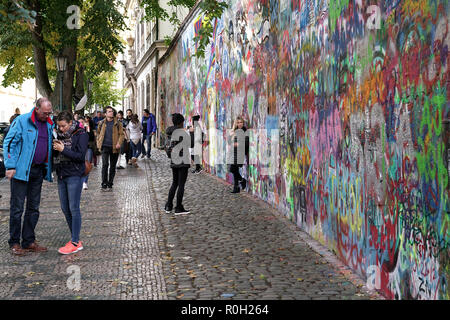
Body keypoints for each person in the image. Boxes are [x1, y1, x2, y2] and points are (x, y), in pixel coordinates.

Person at [3, 98, 54, 255]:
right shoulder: (22, 120)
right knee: (17, 208)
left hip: (38, 171)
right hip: (21, 171)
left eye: (49, 113)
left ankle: (28, 241)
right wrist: (10, 165)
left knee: (34, 208)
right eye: (45, 113)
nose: (47, 115)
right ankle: (14, 242)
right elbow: (9, 143)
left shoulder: (48, 124)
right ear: (37, 109)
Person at [52, 111, 88, 254]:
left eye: (64, 126)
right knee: (64, 208)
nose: (61, 129)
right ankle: (75, 238)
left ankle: (75, 241)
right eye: (59, 126)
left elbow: (80, 156)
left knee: (74, 208)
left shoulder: (81, 134)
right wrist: (55, 148)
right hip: (61, 173)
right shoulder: (58, 135)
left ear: (70, 123)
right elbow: (56, 155)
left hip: (75, 174)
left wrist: (63, 149)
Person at [164, 113, 191, 215]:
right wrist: (191, 133)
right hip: (183, 161)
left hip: (174, 160)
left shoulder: (169, 132)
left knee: (174, 183)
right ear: (181, 122)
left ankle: (169, 205)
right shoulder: (182, 132)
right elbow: (190, 144)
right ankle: (179, 207)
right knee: (181, 184)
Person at [96, 106, 124, 191]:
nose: (111, 113)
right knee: (105, 165)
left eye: (112, 111)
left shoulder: (118, 123)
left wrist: (119, 143)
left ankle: (110, 182)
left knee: (112, 166)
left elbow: (121, 134)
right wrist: (98, 142)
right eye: (109, 111)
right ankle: (104, 182)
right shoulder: (101, 123)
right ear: (105, 114)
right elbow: (98, 133)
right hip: (104, 146)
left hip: (114, 147)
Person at [228, 116, 249, 194]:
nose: (240, 124)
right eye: (238, 122)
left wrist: (238, 144)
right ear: (236, 123)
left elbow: (246, 143)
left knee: (232, 169)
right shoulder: (234, 131)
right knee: (234, 170)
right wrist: (230, 135)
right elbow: (229, 142)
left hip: (240, 152)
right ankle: (236, 187)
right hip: (233, 152)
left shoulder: (245, 131)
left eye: (241, 122)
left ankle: (242, 180)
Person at [80, 116, 95, 190]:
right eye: (81, 122)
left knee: (87, 164)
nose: (82, 124)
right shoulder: (76, 130)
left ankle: (85, 182)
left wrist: (88, 129)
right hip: (79, 149)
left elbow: (92, 137)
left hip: (88, 147)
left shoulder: (89, 129)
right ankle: (80, 180)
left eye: (83, 122)